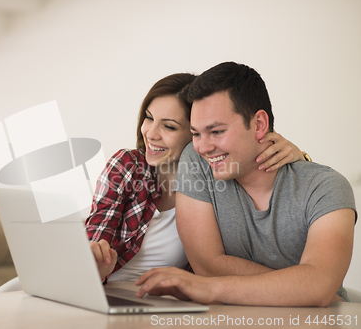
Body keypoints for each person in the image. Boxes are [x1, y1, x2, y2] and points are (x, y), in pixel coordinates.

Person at [135, 62, 357, 306]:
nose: (204, 147)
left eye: (217, 131)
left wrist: (312, 288)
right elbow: (207, 266)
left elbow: (318, 285)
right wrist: (299, 287)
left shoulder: (325, 187)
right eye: (196, 133)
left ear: (259, 124)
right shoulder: (196, 161)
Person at [86, 72, 308, 282]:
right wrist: (96, 263)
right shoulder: (127, 165)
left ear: (194, 133)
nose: (151, 134)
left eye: (169, 126)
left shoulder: (218, 181)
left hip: (167, 305)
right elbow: (96, 236)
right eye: (149, 118)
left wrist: (300, 157)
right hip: (107, 291)